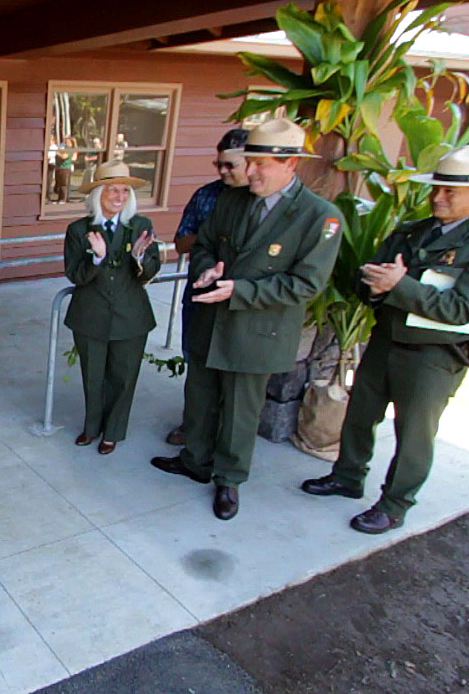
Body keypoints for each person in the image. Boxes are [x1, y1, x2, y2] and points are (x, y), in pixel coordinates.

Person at [301, 145, 469, 534]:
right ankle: (348, 476)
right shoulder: (413, 232)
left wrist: (398, 286)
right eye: (438, 187)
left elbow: (462, 308)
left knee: (414, 433)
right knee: (360, 414)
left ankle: (395, 503)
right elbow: (367, 276)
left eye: (450, 191)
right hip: (387, 338)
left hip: (434, 354)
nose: (438, 197)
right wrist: (375, 287)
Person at [150, 119, 342, 521]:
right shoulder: (232, 200)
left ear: (291, 164)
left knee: (240, 410)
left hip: (257, 330)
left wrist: (241, 290)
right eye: (249, 161)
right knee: (200, 397)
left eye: (261, 163)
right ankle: (195, 461)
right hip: (211, 318)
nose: (250, 171)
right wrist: (205, 269)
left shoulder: (318, 216)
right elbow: (203, 244)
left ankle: (229, 479)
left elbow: (306, 284)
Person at [63, 160, 161, 456]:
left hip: (131, 315)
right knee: (93, 375)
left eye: (124, 191)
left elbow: (150, 271)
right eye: (112, 190)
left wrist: (142, 261)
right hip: (90, 314)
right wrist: (96, 258)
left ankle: (114, 431)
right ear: (97, 195)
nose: (119, 196)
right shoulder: (79, 230)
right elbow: (74, 275)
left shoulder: (140, 227)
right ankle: (92, 428)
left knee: (123, 375)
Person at [165, 127, 250, 446]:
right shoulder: (207, 195)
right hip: (202, 291)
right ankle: (193, 424)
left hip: (243, 296)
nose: (224, 171)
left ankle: (227, 433)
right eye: (219, 165)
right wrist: (212, 238)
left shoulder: (262, 201)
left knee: (234, 369)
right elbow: (181, 242)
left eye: (231, 165)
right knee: (197, 361)